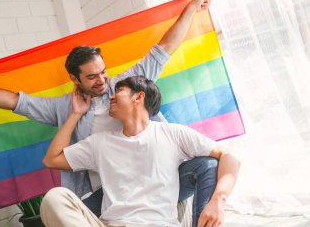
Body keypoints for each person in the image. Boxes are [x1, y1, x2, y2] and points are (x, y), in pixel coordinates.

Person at [0, 0, 215, 223]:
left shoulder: (127, 87)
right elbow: (14, 101)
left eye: (103, 72)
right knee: (57, 204)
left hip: (154, 179)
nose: (102, 81)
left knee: (205, 165)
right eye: (92, 77)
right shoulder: (64, 107)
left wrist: (191, 8)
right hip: (108, 192)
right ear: (75, 79)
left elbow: (165, 47)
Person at [41, 75, 240, 227]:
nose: (111, 96)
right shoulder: (99, 143)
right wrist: (76, 114)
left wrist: (217, 202)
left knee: (209, 164)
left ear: (138, 96)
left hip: (158, 224)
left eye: (118, 90)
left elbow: (228, 156)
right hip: (112, 223)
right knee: (54, 198)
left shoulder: (172, 133)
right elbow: (51, 160)